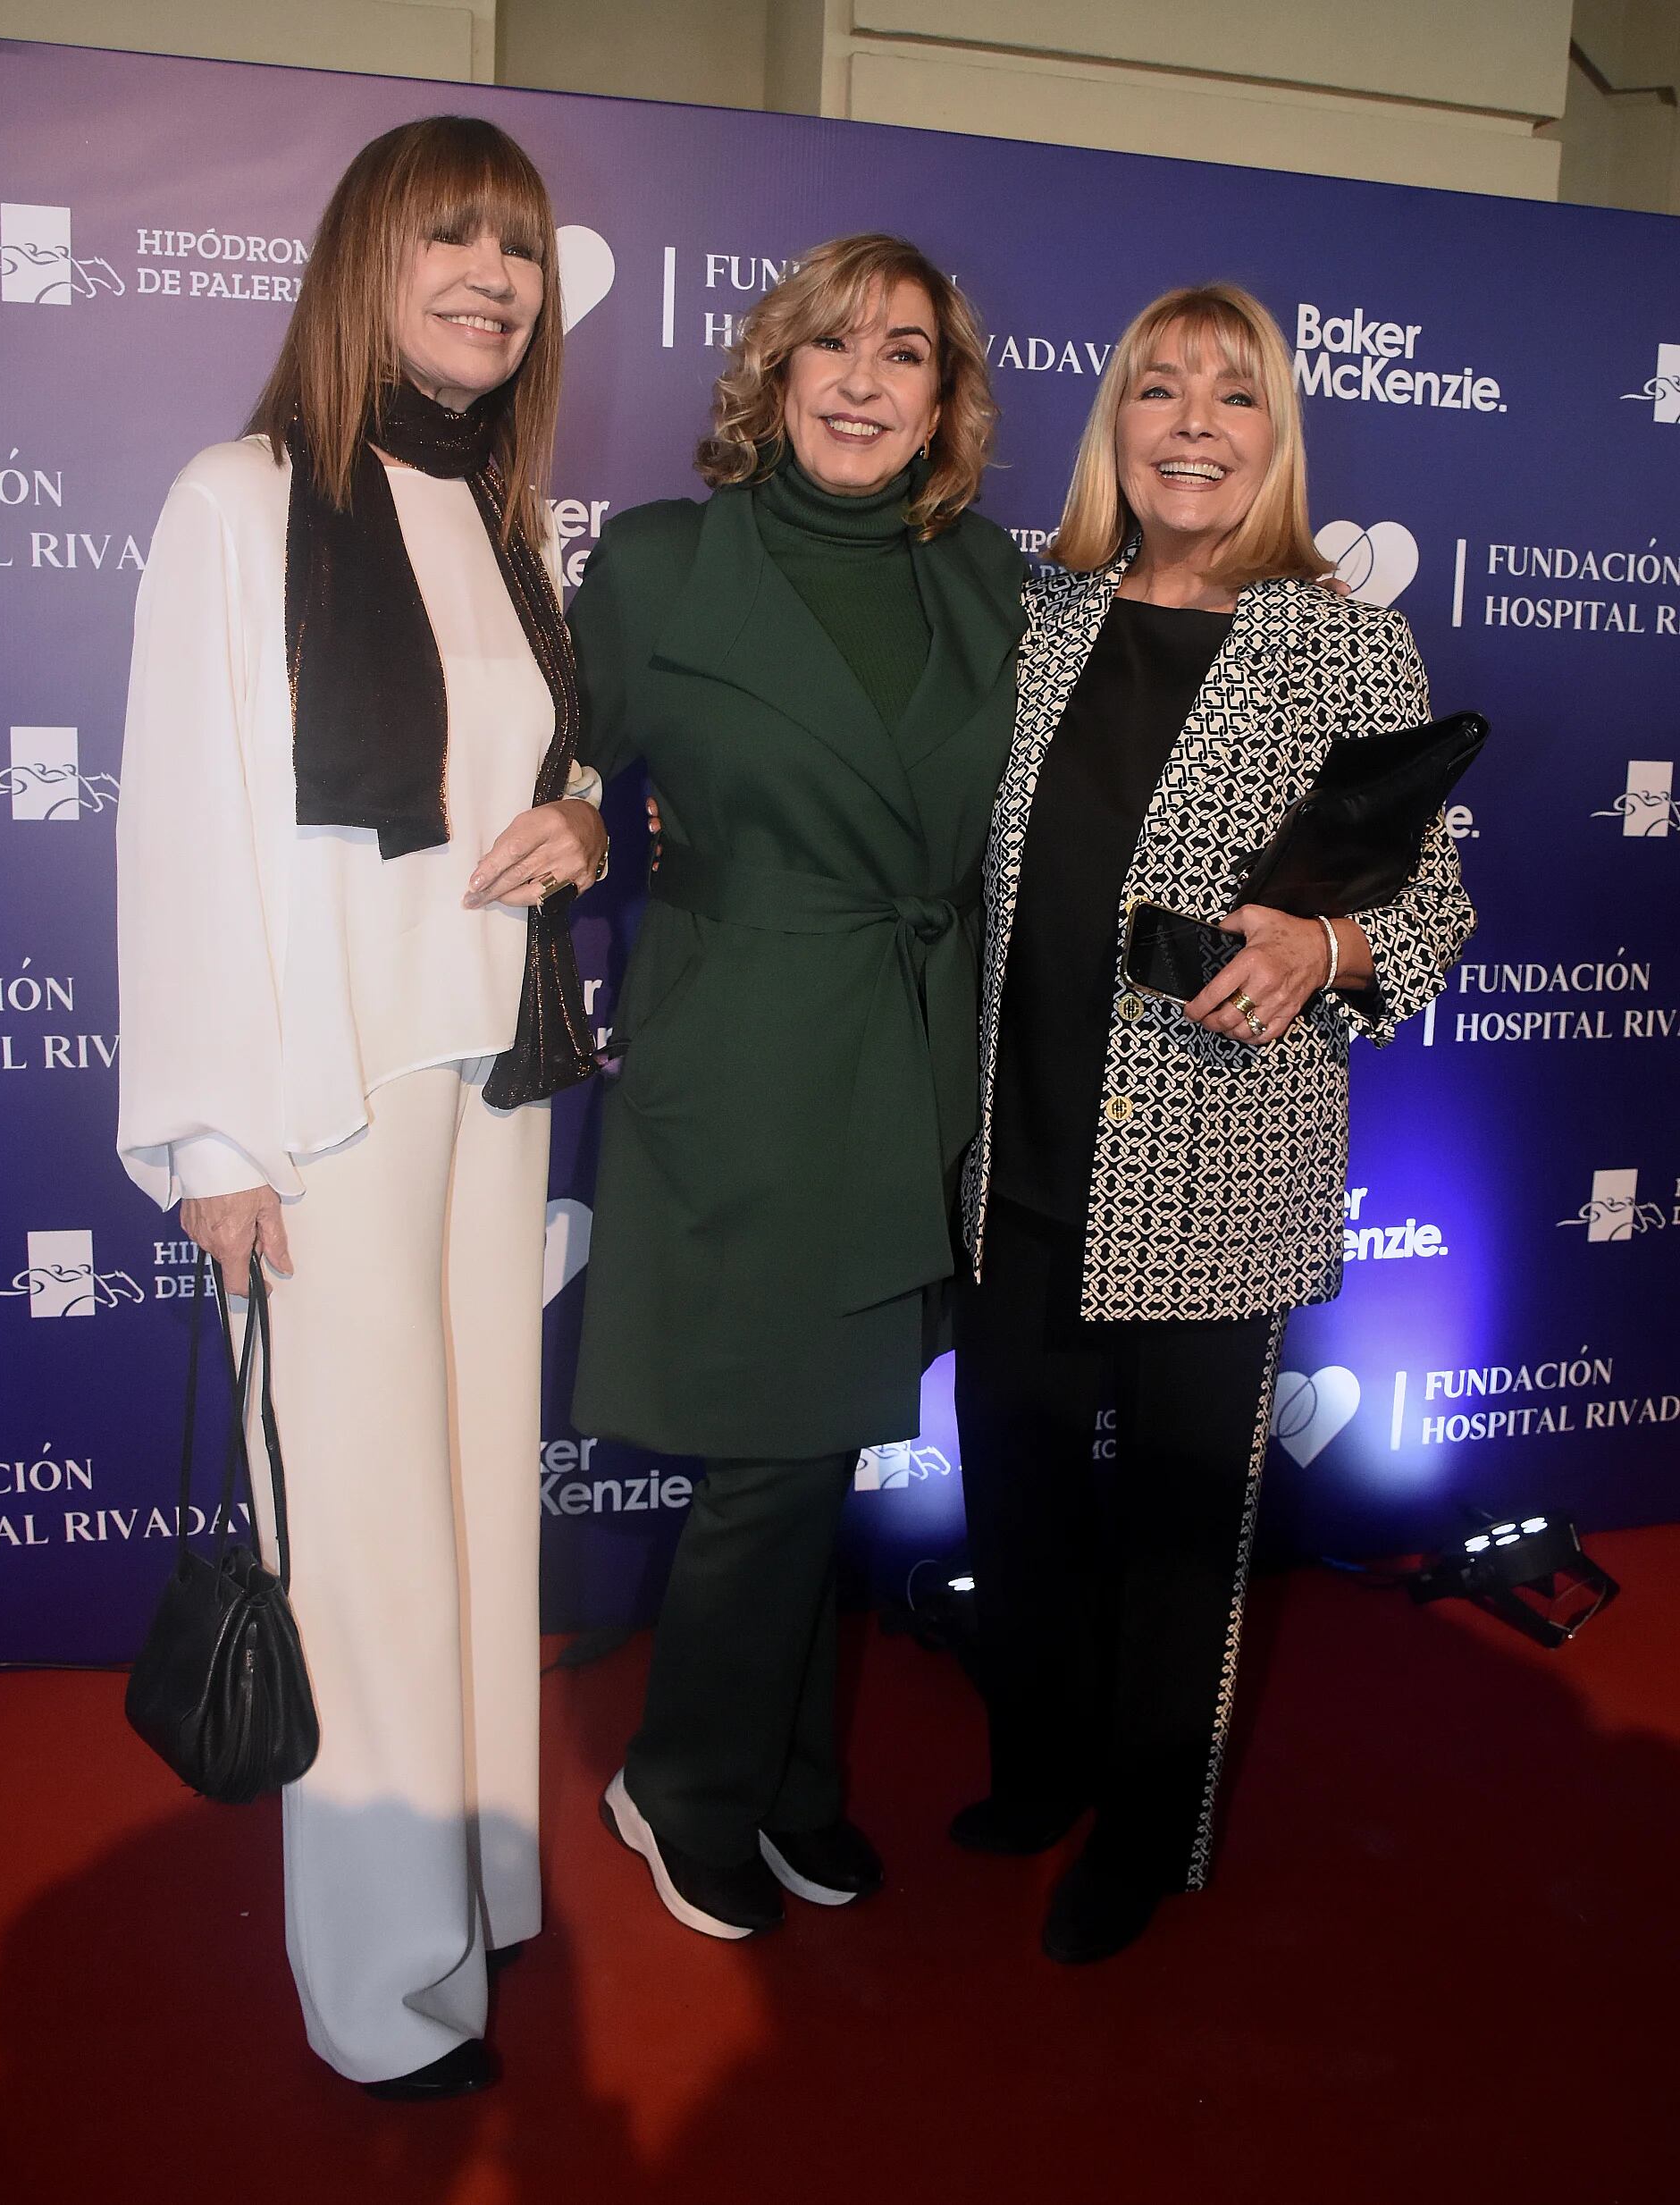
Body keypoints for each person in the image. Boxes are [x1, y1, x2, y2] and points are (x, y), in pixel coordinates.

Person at [115, 116, 608, 2098]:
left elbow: (538, 778)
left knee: (481, 1512)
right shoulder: (240, 500)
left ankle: (479, 1891)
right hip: (322, 1098)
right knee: (370, 1546)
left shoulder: (510, 519)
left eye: (519, 246)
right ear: (366, 258)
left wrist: (581, 821)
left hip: (496, 1080)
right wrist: (214, 1142)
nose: (492, 274)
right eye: (452, 237)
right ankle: (383, 1989)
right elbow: (181, 831)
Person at [952, 283, 1475, 1965]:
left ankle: (1150, 1834)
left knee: (1185, 1535)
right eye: (1159, 390)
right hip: (1012, 1152)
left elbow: (1438, 896)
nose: (1191, 422)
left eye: (1230, 397)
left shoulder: (1341, 638)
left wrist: (1326, 944)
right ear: (1115, 423)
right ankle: (1038, 1767)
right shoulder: (1042, 615)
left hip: (1211, 1164)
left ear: (1275, 437)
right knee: (1017, 1495)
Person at [568, 233, 1024, 1940]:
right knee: (773, 1450)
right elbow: (550, 751)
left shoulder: (993, 584)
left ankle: (780, 1783)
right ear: (771, 373)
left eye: (903, 354)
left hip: (910, 1057)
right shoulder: (667, 562)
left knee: (825, 1441)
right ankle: (683, 1784)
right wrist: (593, 815)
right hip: (743, 1053)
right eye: (830, 345)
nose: (861, 378)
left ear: (942, 405)